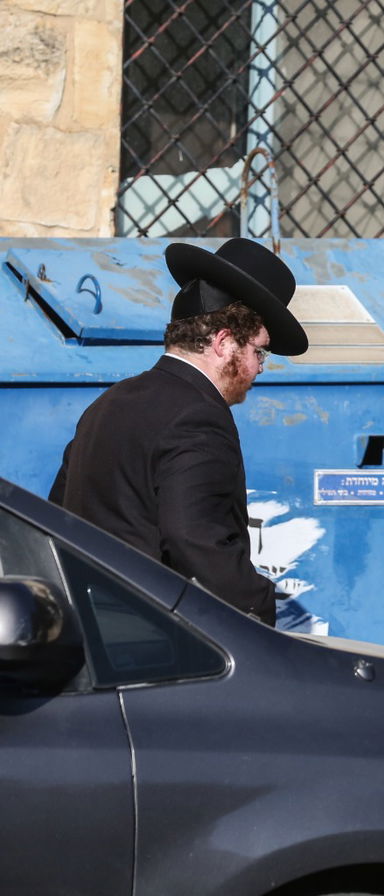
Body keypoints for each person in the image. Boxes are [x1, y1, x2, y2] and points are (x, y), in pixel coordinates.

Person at [50, 238, 309, 625]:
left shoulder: (110, 402)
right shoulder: (199, 416)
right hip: (151, 639)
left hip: (89, 626)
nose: (260, 368)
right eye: (260, 351)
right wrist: (256, 606)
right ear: (223, 343)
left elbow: (58, 513)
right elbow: (194, 535)